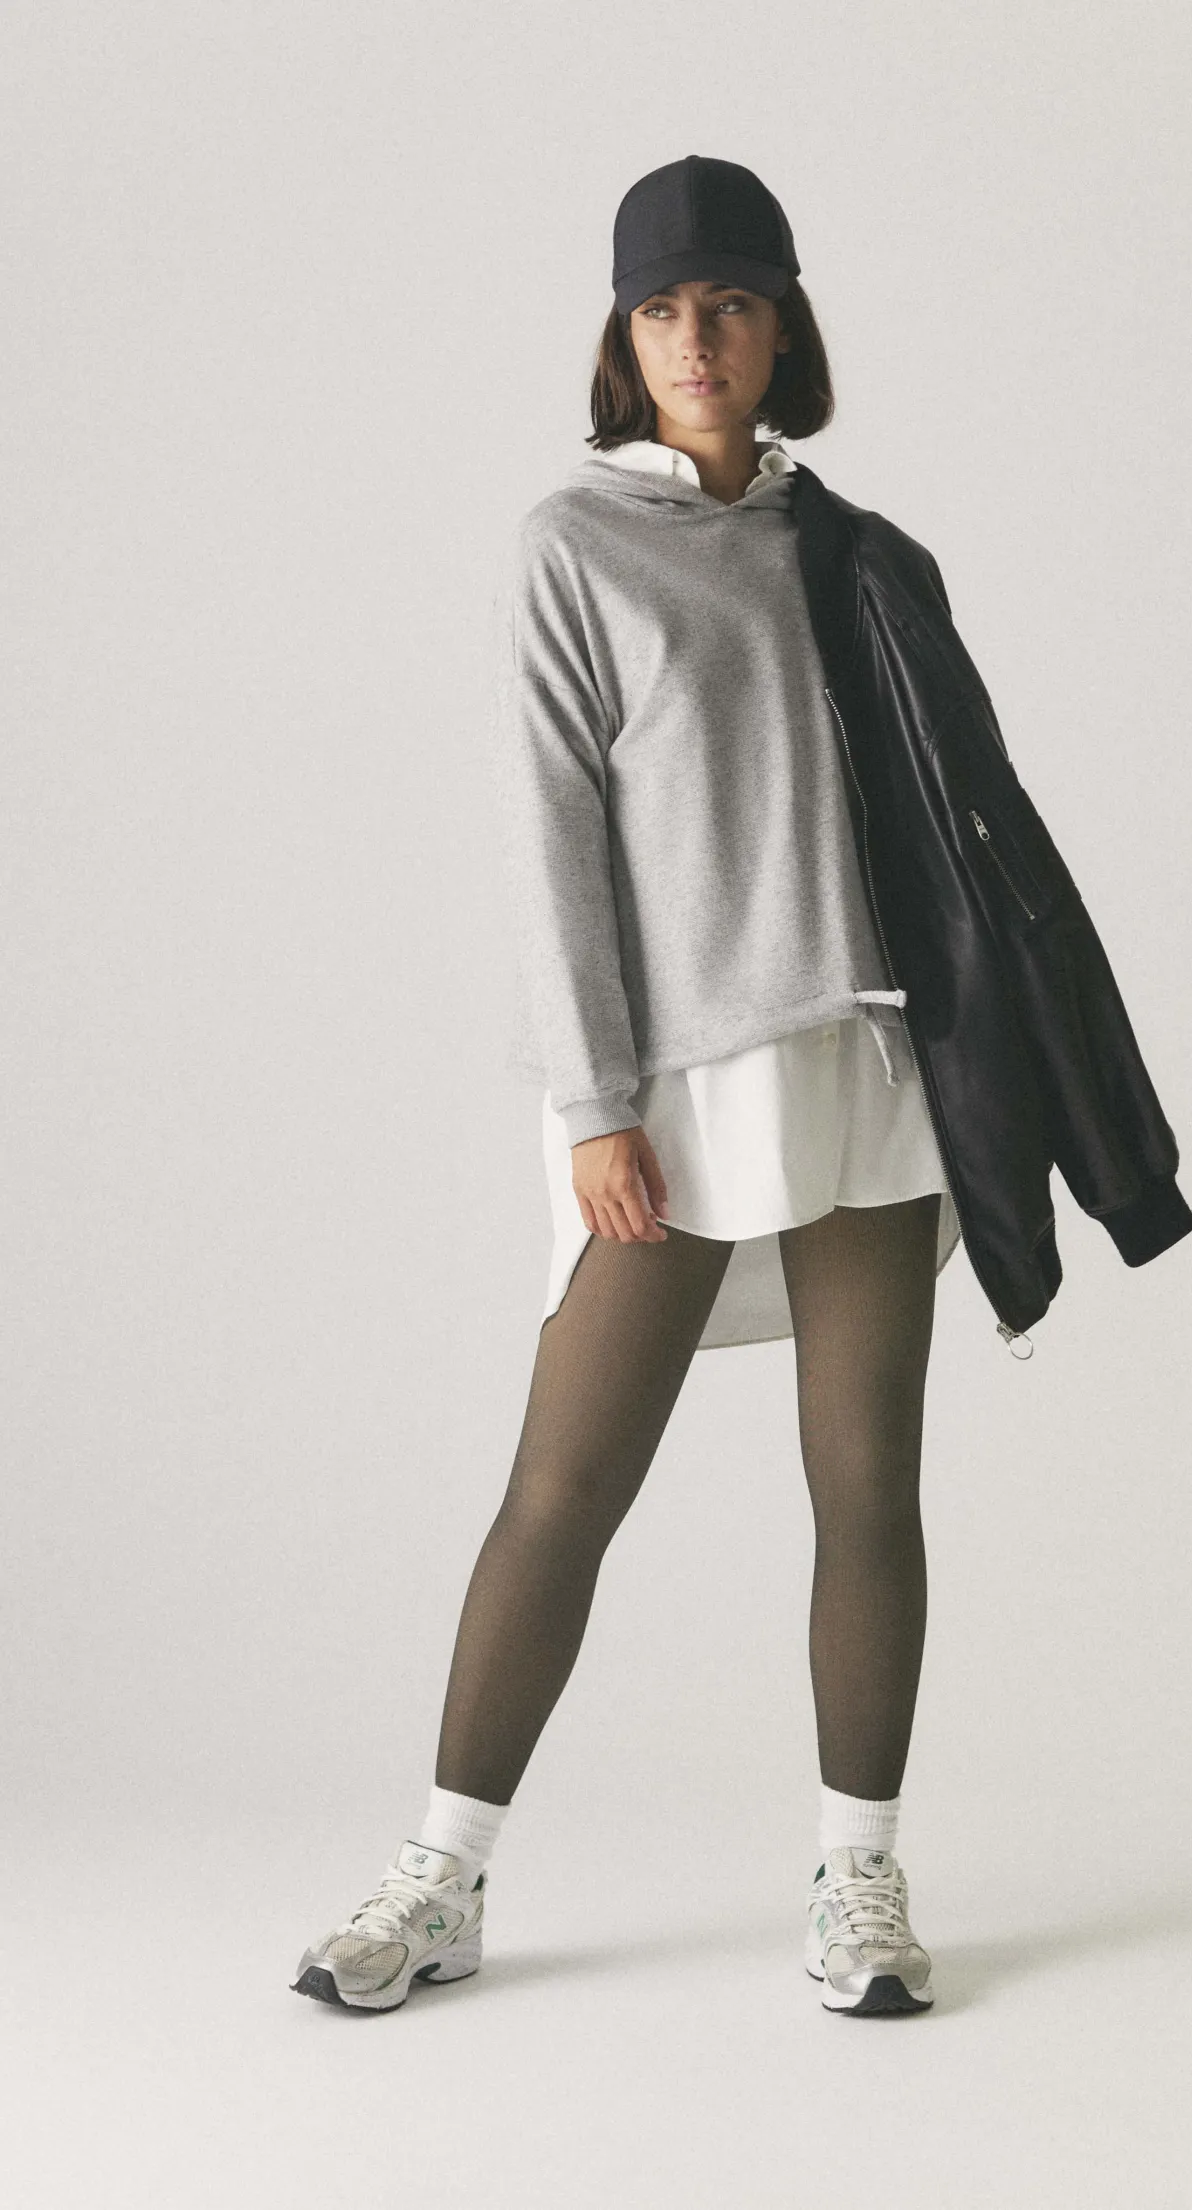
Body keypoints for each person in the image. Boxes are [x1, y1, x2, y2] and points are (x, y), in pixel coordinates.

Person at [292, 155, 961, 2018]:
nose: (697, 338)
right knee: (564, 1482)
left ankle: (860, 1879)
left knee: (868, 1480)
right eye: (662, 308)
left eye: (730, 302)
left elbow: (956, 832)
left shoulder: (861, 553)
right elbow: (553, 843)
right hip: (676, 1084)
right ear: (623, 336)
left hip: (868, 1063)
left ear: (782, 325)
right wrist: (596, 1103)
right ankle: (442, 1879)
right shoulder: (575, 547)